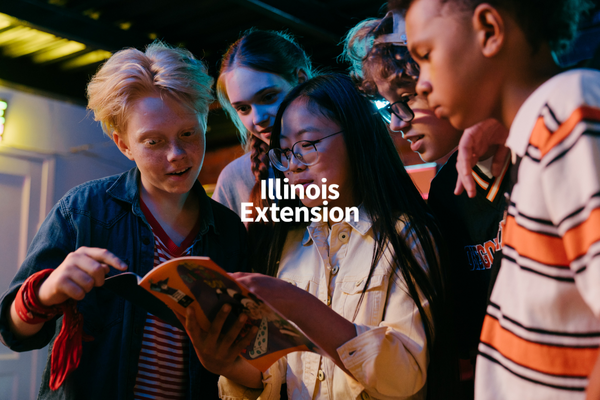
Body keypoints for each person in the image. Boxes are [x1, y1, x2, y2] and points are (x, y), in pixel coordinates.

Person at [183, 73, 457, 400]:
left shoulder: (406, 236)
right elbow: (276, 374)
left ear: (356, 138)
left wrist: (298, 304)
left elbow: (404, 378)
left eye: (308, 145)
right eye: (284, 152)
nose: (294, 166)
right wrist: (225, 364)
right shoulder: (286, 244)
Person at [0, 41, 248, 399]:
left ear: (205, 122)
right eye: (153, 142)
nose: (176, 155)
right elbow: (12, 330)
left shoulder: (228, 232)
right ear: (123, 145)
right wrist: (47, 290)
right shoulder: (84, 210)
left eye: (188, 134)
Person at [390, 0, 600, 398]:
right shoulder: (539, 134)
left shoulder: (567, 110)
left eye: (426, 55)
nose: (420, 84)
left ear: (489, 29)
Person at [343, 13, 509, 398]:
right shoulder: (444, 189)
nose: (398, 123)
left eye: (406, 99)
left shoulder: (540, 150)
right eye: (388, 107)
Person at [212, 29, 314, 218]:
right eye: (243, 108)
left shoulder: (354, 148)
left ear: (301, 80)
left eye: (268, 97)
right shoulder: (236, 179)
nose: (258, 118)